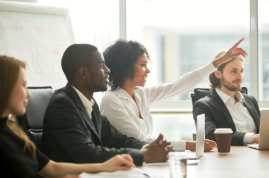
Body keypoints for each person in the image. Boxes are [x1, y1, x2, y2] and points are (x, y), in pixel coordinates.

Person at [0, 55, 136, 178]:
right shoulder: (63, 104)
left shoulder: (13, 131)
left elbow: (52, 168)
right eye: (23, 85)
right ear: (3, 87)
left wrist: (103, 167)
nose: (28, 94)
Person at [100, 38, 247, 151]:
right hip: (127, 167)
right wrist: (188, 145)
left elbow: (179, 85)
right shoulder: (112, 101)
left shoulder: (140, 94)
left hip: (145, 162)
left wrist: (220, 61)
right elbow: (139, 141)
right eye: (143, 65)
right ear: (125, 67)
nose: (148, 70)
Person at [42, 44, 172, 167]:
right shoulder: (62, 105)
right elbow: (87, 154)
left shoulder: (89, 104)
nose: (108, 70)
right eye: (101, 66)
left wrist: (149, 147)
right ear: (83, 73)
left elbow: (119, 139)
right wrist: (143, 155)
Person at [193, 51, 260, 146]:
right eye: (234, 71)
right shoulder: (203, 106)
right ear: (217, 74)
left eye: (241, 71)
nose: (240, 77)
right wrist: (254, 138)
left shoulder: (251, 100)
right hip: (230, 157)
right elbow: (210, 135)